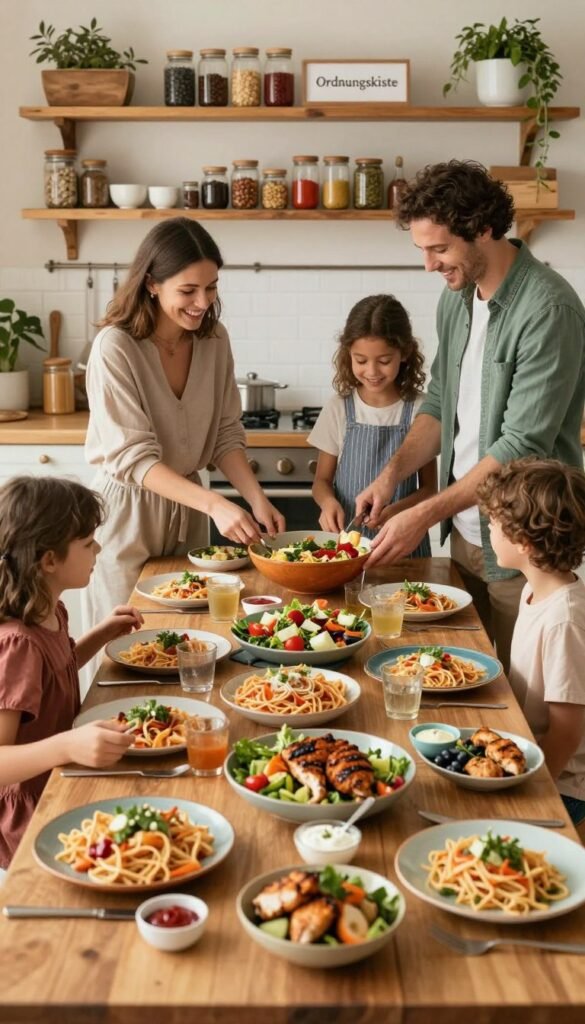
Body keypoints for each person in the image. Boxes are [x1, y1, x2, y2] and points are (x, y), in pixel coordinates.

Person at [357, 160, 585, 671]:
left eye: (439, 249)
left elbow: (520, 443)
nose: (430, 265)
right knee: (459, 681)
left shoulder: (549, 309)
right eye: (422, 250)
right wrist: (391, 477)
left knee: (519, 702)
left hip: (526, 543)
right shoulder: (457, 300)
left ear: (483, 228)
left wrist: (425, 511)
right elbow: (439, 402)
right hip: (465, 536)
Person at [83, 217, 285, 623]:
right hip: (128, 517)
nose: (203, 302)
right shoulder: (115, 347)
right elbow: (134, 460)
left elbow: (226, 434)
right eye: (188, 290)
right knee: (120, 648)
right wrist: (214, 503)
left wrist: (255, 498)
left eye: (211, 287)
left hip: (188, 514)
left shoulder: (214, 340)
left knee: (183, 638)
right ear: (152, 284)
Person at [0, 476, 143, 869]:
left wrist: (101, 635)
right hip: (33, 812)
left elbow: (53, 675)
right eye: (87, 543)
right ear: (49, 560)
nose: (98, 548)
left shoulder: (51, 609)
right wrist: (67, 746)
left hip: (64, 776)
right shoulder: (18, 644)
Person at [477, 458, 585, 828]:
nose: (489, 532)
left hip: (561, 786)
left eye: (493, 525)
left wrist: (531, 790)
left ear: (523, 542)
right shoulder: (534, 590)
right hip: (526, 753)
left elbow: (567, 732)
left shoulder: (564, 620)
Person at [309, 294, 436, 553]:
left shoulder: (421, 410)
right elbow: (321, 481)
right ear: (348, 355)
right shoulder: (339, 407)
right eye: (361, 360)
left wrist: (395, 512)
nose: (372, 371)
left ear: (405, 352)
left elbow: (429, 489)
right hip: (347, 545)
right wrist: (327, 503)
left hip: (403, 542)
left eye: (384, 361)